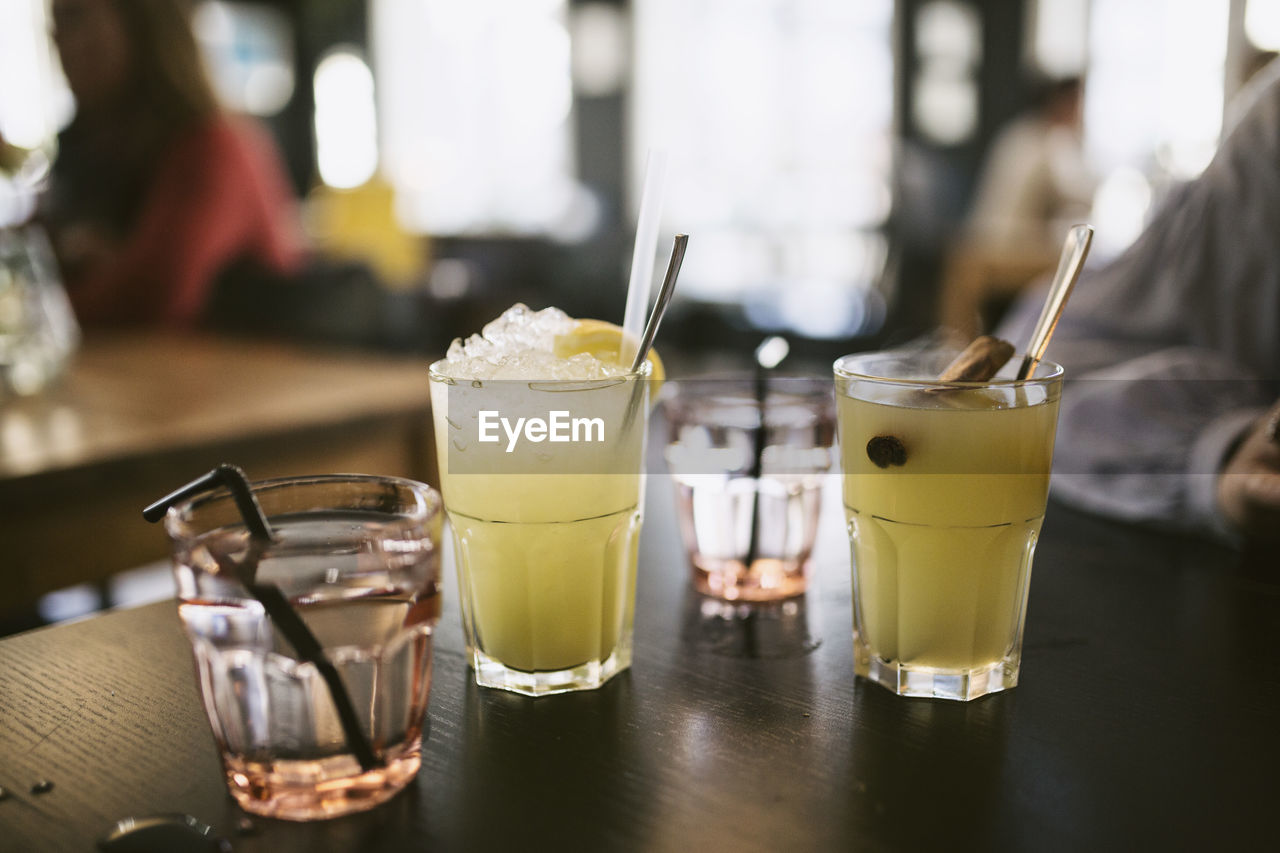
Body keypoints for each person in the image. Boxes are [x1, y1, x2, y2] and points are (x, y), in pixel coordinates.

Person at [997, 59, 1280, 545]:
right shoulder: (1043, 144)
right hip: (1007, 254)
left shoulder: (1032, 140)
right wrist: (1227, 450)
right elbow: (1078, 193)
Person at [40, 0, 303, 328]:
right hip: (157, 373)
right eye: (53, 26)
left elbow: (148, 298)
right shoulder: (89, 149)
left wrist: (35, 307)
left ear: (143, 22)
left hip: (259, 372)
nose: (57, 40)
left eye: (74, 17)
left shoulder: (214, 148)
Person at [964, 75, 1096, 254]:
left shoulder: (1022, 131)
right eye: (1078, 103)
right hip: (1005, 243)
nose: (1080, 113)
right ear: (1062, 103)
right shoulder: (1044, 142)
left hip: (984, 235)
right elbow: (1072, 194)